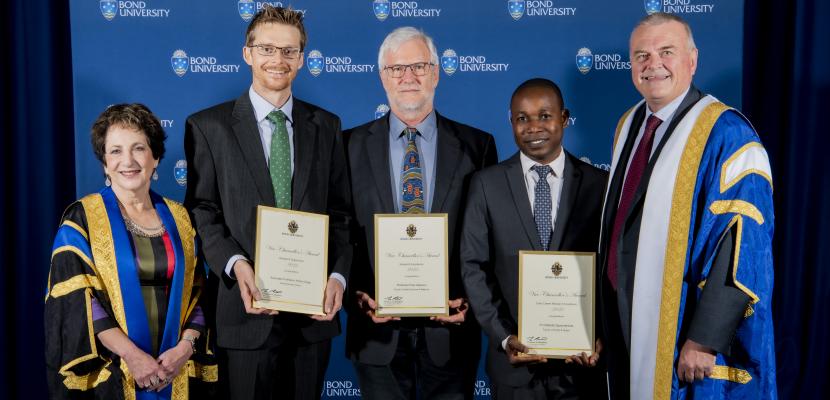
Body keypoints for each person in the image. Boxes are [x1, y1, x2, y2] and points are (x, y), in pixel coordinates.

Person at [598, 12, 776, 399]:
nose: (653, 64)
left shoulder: (727, 132)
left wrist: (704, 338)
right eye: (641, 55)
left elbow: (743, 245)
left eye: (666, 52)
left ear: (692, 60)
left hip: (684, 329)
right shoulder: (629, 123)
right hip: (624, 318)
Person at [183, 5, 352, 400]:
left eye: (289, 51)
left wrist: (338, 276)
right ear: (248, 53)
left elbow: (342, 214)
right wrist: (234, 263)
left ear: (302, 59)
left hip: (312, 318)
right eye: (267, 49)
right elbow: (202, 210)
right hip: (243, 312)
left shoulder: (327, 126)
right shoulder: (208, 127)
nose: (278, 59)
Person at [344, 27, 497, 400]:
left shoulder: (478, 146)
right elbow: (339, 230)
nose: (408, 77)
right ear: (382, 77)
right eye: (397, 69)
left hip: (450, 334)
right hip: (376, 333)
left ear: (437, 72)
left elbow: (488, 238)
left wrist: (473, 306)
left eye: (419, 66)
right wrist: (354, 298)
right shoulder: (346, 146)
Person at [45, 104, 216, 399]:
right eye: (115, 151)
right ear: (104, 163)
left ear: (155, 157)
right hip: (113, 371)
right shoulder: (82, 219)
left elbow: (198, 293)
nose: (128, 160)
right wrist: (133, 357)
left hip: (174, 369)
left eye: (139, 148)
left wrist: (184, 349)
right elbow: (78, 302)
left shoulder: (180, 218)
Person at [460, 78, 607, 399]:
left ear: (564, 118)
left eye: (544, 115)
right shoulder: (486, 184)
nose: (533, 127)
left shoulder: (600, 185)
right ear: (511, 121)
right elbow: (473, 266)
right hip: (514, 370)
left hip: (580, 367)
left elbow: (611, 271)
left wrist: (599, 335)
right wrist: (503, 336)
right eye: (522, 118)